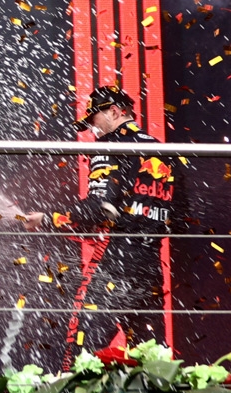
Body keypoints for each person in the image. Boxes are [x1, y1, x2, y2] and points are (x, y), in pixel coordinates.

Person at [19, 85, 178, 363]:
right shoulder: (163, 152)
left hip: (115, 263)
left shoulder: (109, 147)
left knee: (82, 350)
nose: (93, 129)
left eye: (94, 120)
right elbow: (180, 217)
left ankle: (79, 392)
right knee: (152, 355)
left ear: (114, 112)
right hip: (150, 267)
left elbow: (99, 209)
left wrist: (47, 218)